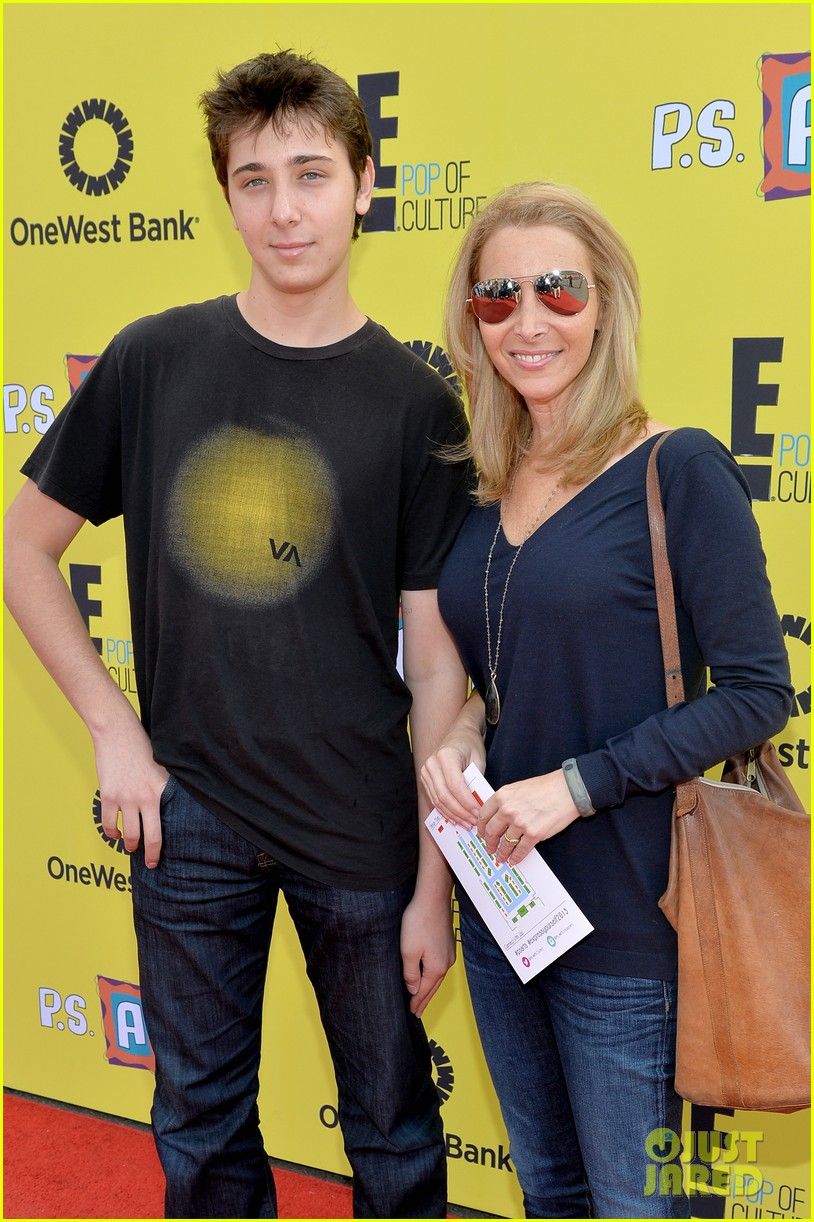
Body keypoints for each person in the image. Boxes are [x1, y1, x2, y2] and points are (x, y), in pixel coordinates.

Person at [4, 51, 472, 1220]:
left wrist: (432, 883)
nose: (284, 207)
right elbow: (23, 549)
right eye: (254, 179)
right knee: (201, 1134)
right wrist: (114, 731)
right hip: (190, 814)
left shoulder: (419, 404)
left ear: (366, 183)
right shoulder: (155, 358)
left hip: (361, 822)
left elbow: (436, 666)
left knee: (394, 1139)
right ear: (225, 196)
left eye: (311, 173)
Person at [420, 182, 793, 1219]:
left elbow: (759, 692)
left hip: (641, 923)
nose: (528, 321)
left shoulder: (677, 468)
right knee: (551, 1196)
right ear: (471, 318)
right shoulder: (487, 480)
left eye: (557, 290)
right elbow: (501, 673)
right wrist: (458, 729)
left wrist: (576, 786)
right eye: (497, 297)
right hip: (506, 911)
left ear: (606, 303)